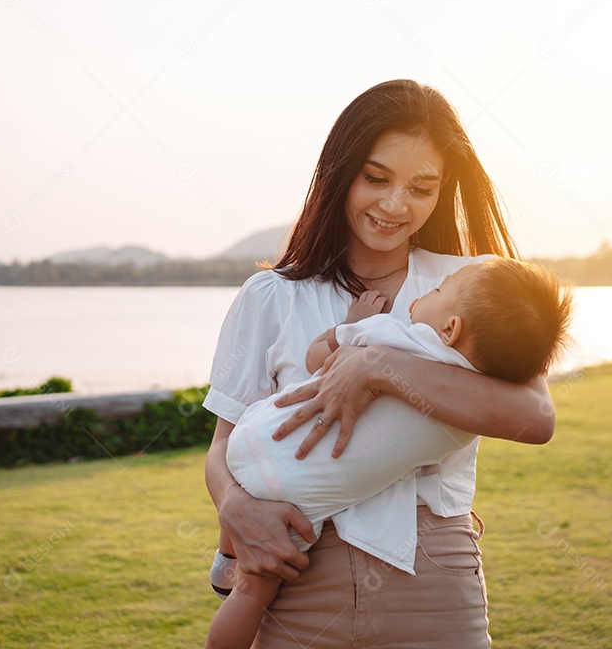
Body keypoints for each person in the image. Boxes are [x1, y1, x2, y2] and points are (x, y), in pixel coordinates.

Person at [203, 79, 557, 648]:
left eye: (422, 187)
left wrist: (376, 367)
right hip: (299, 577)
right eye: (376, 178)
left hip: (434, 582)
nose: (396, 205)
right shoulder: (269, 296)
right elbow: (224, 446)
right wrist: (237, 508)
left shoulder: (477, 287)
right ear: (341, 172)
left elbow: (535, 417)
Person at [205, 258, 572, 649]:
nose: (395, 205)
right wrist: (230, 501)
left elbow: (538, 420)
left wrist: (361, 345)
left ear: (451, 328)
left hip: (274, 464)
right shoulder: (484, 378)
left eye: (436, 292)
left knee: (247, 594)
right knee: (252, 590)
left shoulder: (432, 311)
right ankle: (230, 556)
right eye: (378, 189)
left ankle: (227, 558)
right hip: (302, 528)